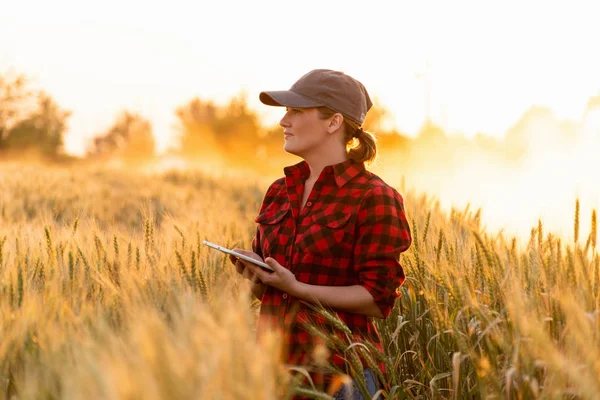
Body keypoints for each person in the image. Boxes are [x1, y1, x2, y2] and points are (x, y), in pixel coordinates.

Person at [229, 69, 412, 399]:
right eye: (286, 111)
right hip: (276, 374)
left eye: (296, 111)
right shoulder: (278, 191)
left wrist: (296, 287)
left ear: (334, 122)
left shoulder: (374, 197)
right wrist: (258, 278)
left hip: (343, 378)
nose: (284, 121)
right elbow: (277, 297)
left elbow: (377, 299)